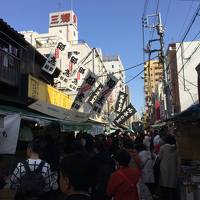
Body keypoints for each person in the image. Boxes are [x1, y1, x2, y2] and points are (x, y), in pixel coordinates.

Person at [159, 134, 179, 200]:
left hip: (164, 169)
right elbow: (178, 160)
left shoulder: (162, 148)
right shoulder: (176, 148)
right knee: (171, 187)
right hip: (173, 169)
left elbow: (159, 158)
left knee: (165, 187)